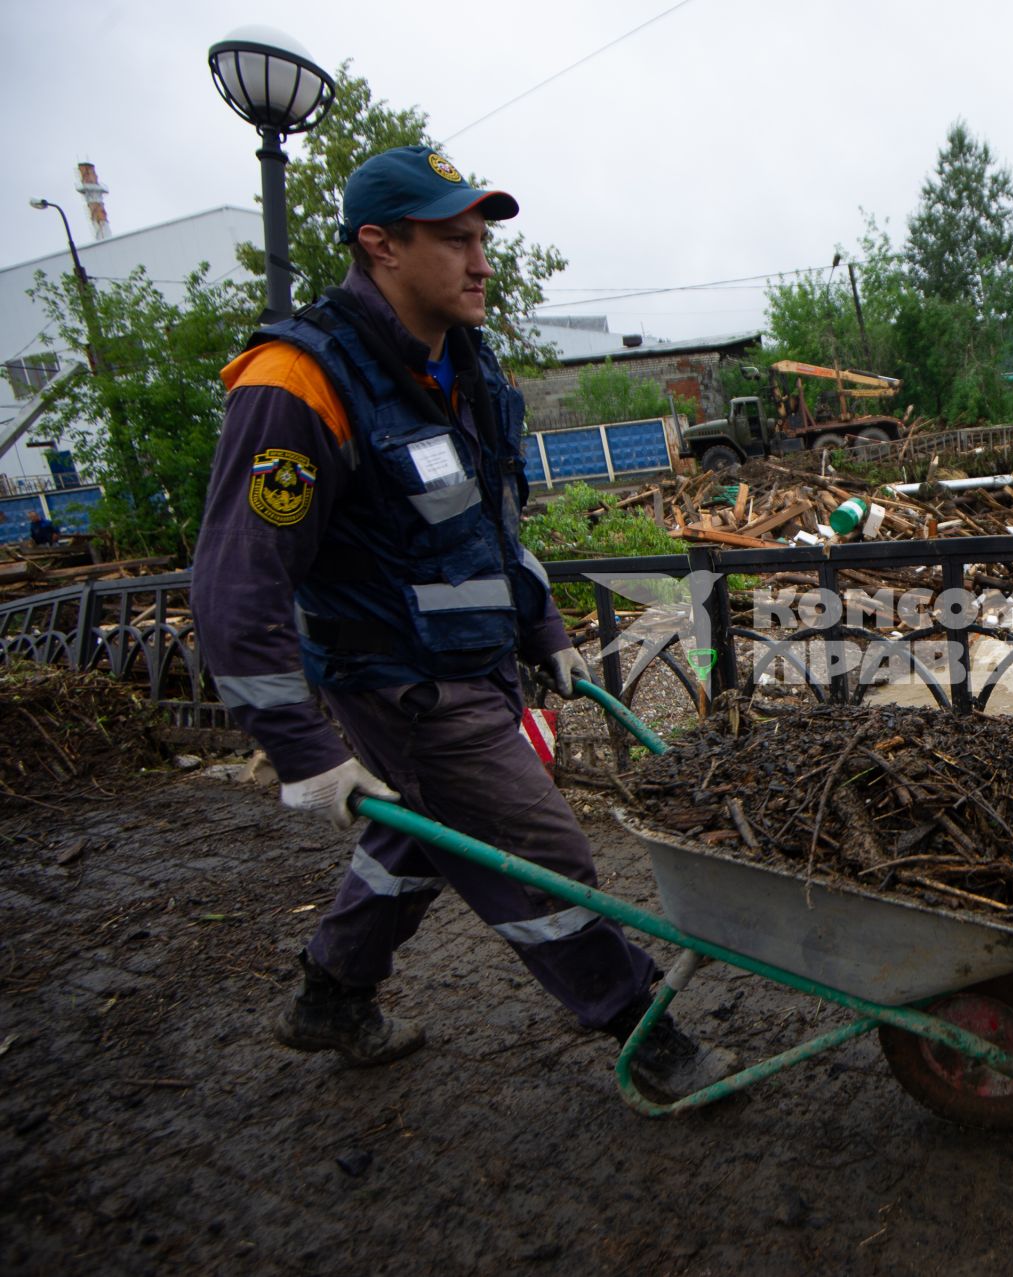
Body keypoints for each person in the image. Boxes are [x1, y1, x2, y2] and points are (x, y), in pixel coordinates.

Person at [191, 146, 733, 1097]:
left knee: (426, 829)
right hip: (399, 685)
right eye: (455, 239)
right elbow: (236, 587)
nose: (482, 261)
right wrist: (301, 748)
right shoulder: (299, 384)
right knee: (547, 853)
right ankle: (646, 1033)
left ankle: (330, 994)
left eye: (482, 238)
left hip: (476, 664)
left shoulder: (466, 367)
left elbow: (490, 531)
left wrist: (545, 634)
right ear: (381, 245)